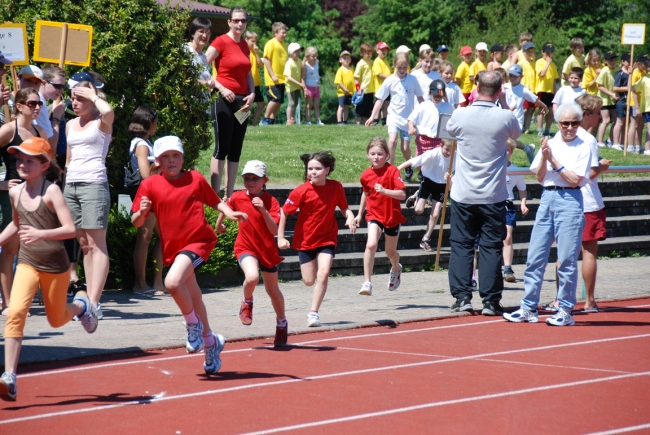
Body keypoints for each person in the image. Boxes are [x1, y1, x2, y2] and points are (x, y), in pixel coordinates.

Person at [132, 136, 247, 373]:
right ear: (157, 161)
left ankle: (192, 324)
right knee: (194, 297)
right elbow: (136, 222)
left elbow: (215, 202)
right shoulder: (150, 185)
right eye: (165, 157)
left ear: (183, 158)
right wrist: (142, 213)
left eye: (175, 156)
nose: (171, 161)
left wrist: (230, 213)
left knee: (172, 282)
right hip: (174, 248)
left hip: (199, 241)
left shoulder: (195, 178)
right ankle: (210, 342)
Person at [0, 137, 98, 402]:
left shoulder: (52, 191)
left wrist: (41, 233)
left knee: (56, 320)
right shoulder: (14, 192)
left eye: (29, 160)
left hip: (55, 267)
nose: (22, 164)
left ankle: (81, 306)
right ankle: (9, 376)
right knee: (16, 313)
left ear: (44, 165)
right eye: (19, 159)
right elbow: (17, 226)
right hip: (27, 263)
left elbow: (70, 229)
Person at [503, 103, 592, 327]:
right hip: (547, 198)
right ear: (559, 123)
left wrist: (553, 161)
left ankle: (565, 309)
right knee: (535, 256)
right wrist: (544, 157)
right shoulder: (551, 143)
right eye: (565, 123)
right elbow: (541, 178)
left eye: (574, 123)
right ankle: (529, 307)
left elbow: (575, 180)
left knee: (566, 260)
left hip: (570, 200)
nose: (570, 127)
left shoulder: (584, 146)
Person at [446, 70, 521, 316]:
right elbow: (516, 134)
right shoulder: (505, 116)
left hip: (464, 194)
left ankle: (462, 298)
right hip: (493, 195)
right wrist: (504, 104)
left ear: (476, 87)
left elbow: (449, 130)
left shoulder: (460, 114)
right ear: (499, 90)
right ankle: (490, 301)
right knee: (490, 247)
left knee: (461, 245)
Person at [277, 151, 356, 327]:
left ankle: (313, 313)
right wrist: (280, 237)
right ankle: (313, 295)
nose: (313, 172)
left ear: (327, 170)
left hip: (327, 237)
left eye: (318, 169)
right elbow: (284, 211)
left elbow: (344, 207)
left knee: (324, 272)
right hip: (305, 240)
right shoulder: (301, 191)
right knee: (309, 280)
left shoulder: (336, 187)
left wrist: (350, 216)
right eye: (310, 168)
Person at [216, 160, 288, 346]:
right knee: (252, 277)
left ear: (265, 180)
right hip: (245, 246)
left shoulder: (271, 201)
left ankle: (281, 324)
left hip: (267, 250)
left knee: (273, 291)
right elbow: (225, 206)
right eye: (246, 178)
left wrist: (263, 210)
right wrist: (219, 225)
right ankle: (246, 302)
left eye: (254, 178)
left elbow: (273, 230)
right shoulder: (238, 196)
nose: (250, 182)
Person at [64, 78, 114, 319]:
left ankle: (94, 302)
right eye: (73, 97)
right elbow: (68, 160)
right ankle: (90, 301)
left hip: (94, 184)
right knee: (84, 245)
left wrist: (93, 96)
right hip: (71, 186)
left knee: (96, 244)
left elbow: (109, 110)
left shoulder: (102, 121)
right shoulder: (71, 124)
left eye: (80, 98)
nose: (75, 102)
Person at [0, 88, 47, 316]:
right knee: (10, 250)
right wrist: (0, 184)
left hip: (34, 197)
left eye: (39, 104)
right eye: (32, 103)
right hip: (12, 196)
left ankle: (21, 300)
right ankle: (9, 303)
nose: (37, 107)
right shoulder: (10, 129)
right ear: (19, 106)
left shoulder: (39, 132)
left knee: (29, 250)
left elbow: (49, 166)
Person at [205, 7, 256, 199]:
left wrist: (252, 95)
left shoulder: (244, 45)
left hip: (243, 102)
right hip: (223, 99)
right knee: (222, 147)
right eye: (236, 20)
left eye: (243, 21)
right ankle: (215, 195)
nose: (240, 24)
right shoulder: (220, 42)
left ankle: (229, 194)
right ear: (229, 22)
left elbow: (248, 74)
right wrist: (221, 88)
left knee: (236, 149)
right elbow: (202, 66)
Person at [355, 137, 406, 296]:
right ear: (368, 155)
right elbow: (366, 193)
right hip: (374, 215)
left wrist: (385, 191)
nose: (376, 157)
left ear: (387, 155)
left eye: (380, 154)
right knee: (371, 245)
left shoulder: (392, 171)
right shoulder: (365, 175)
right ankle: (367, 282)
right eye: (373, 154)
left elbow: (402, 195)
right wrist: (359, 213)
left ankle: (396, 269)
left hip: (391, 216)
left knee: (390, 253)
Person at [365, 52, 424, 179]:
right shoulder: (390, 80)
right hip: (393, 117)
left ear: (408, 66)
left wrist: (425, 114)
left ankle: (408, 164)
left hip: (408, 119)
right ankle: (390, 171)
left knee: (405, 148)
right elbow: (380, 99)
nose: (402, 70)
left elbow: (420, 98)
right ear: (394, 66)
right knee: (392, 141)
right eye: (399, 68)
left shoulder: (413, 80)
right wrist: (372, 116)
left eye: (404, 67)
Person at [128, 107, 165, 296]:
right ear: (147, 123)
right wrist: (160, 164)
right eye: (155, 122)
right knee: (144, 238)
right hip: (147, 196)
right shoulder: (141, 145)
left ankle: (157, 283)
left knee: (161, 237)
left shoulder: (145, 142)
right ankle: (141, 284)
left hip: (153, 194)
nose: (157, 126)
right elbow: (145, 174)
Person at [398, 139, 454, 252]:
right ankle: (417, 195)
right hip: (428, 181)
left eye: (452, 151)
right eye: (447, 150)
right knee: (418, 210)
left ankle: (426, 239)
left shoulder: (455, 157)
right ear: (441, 145)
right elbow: (413, 161)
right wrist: (396, 169)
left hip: (442, 185)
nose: (449, 153)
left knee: (435, 214)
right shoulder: (432, 154)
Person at [504, 64, 547, 163]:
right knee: (505, 140)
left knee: (506, 140)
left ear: (521, 77)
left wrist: (544, 106)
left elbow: (535, 99)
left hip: (516, 120)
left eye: (515, 76)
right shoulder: (504, 87)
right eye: (511, 75)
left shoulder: (523, 89)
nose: (512, 78)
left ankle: (509, 160)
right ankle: (528, 149)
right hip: (505, 118)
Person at [503, 139, 529, 282]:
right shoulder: (491, 167)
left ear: (512, 152)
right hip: (492, 204)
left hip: (507, 204)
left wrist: (523, 203)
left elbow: (522, 190)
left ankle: (508, 269)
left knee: (507, 237)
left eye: (507, 149)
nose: (504, 152)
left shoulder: (515, 170)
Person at [260, 22, 289, 126]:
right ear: (275, 33)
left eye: (285, 33)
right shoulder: (270, 43)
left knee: (279, 101)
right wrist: (272, 75)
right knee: (274, 98)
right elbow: (266, 60)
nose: (285, 35)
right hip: (273, 79)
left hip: (282, 78)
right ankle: (264, 119)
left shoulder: (285, 45)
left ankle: (271, 121)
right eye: (283, 32)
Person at [38, 66, 66, 149]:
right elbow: (51, 144)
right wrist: (56, 118)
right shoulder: (39, 104)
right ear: (43, 83)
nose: (62, 91)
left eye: (63, 86)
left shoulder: (41, 101)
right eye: (58, 86)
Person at [535, 43, 559, 136]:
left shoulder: (553, 65)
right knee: (542, 110)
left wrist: (555, 91)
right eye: (547, 52)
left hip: (550, 90)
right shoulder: (539, 62)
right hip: (542, 89)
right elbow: (542, 74)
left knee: (551, 111)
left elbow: (553, 79)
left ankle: (547, 130)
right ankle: (540, 130)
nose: (549, 54)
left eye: (551, 52)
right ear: (542, 52)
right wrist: (548, 63)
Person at [596, 51, 619, 148]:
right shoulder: (604, 71)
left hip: (613, 99)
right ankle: (600, 142)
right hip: (604, 99)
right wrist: (612, 94)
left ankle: (610, 139)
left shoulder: (617, 70)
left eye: (614, 59)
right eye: (610, 60)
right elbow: (599, 86)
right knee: (606, 120)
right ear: (605, 61)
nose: (613, 61)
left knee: (617, 120)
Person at [244, 31, 265, 126]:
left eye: (256, 42)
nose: (254, 44)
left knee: (261, 104)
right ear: (246, 40)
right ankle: (243, 124)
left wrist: (257, 53)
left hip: (255, 83)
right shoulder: (243, 51)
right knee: (247, 105)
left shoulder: (254, 52)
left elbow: (260, 65)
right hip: (247, 82)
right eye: (252, 41)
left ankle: (254, 124)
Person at [612, 53, 633, 151]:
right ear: (623, 62)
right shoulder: (620, 74)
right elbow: (615, 88)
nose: (630, 63)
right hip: (621, 100)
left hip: (629, 101)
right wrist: (627, 88)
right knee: (619, 122)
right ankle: (615, 143)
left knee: (626, 123)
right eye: (628, 61)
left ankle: (622, 142)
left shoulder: (631, 73)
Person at [632, 57, 650, 155]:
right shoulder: (644, 79)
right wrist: (637, 107)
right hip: (648, 108)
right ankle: (647, 150)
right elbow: (633, 89)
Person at [283, 42, 305, 125]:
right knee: (291, 103)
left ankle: (292, 117)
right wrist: (299, 84)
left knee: (296, 103)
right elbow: (289, 77)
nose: (298, 53)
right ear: (291, 53)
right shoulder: (289, 63)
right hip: (290, 86)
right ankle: (288, 119)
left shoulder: (299, 61)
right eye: (296, 51)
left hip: (297, 86)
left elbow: (303, 67)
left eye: (299, 51)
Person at [354, 43, 375, 125]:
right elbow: (356, 78)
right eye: (367, 53)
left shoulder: (372, 62)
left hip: (371, 89)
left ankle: (366, 122)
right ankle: (358, 122)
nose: (369, 55)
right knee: (360, 107)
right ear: (362, 53)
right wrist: (358, 88)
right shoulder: (360, 64)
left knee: (368, 107)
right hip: (363, 90)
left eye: (370, 53)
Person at [520, 42, 538, 133]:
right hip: (524, 89)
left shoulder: (535, 63)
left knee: (531, 109)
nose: (530, 53)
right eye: (528, 51)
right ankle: (520, 126)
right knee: (525, 109)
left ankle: (526, 128)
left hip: (533, 89)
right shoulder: (521, 63)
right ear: (523, 51)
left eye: (532, 51)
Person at [302, 46, 323, 125]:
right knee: (308, 105)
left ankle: (318, 120)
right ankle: (308, 121)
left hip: (316, 87)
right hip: (309, 87)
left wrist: (315, 59)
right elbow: (302, 78)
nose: (315, 57)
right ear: (307, 57)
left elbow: (317, 61)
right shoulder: (305, 66)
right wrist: (305, 89)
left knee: (317, 105)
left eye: (315, 55)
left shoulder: (316, 62)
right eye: (313, 56)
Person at [372, 42, 392, 125]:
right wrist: (390, 78)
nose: (384, 52)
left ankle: (384, 120)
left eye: (385, 50)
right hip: (380, 87)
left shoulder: (386, 61)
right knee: (379, 104)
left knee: (386, 104)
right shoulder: (377, 61)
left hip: (387, 87)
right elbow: (379, 74)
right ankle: (375, 120)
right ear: (377, 51)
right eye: (382, 50)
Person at [334, 50, 355, 125]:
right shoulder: (340, 70)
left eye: (348, 58)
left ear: (350, 60)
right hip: (342, 92)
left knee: (346, 107)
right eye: (344, 58)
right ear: (340, 60)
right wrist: (345, 89)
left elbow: (354, 81)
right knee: (341, 106)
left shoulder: (352, 70)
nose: (346, 59)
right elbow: (339, 82)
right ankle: (339, 121)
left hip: (350, 92)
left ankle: (345, 120)